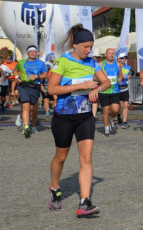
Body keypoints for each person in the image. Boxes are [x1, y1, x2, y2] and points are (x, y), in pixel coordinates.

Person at [47, 25, 111, 218]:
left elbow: (107, 82)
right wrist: (82, 85)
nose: (88, 50)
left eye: (91, 47)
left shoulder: (92, 63)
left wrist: (96, 89)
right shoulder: (61, 62)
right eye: (85, 47)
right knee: (61, 157)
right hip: (63, 117)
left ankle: (84, 202)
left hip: (85, 117)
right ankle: (55, 188)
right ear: (75, 45)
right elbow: (52, 89)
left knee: (86, 158)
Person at [15, 46, 49, 138]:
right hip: (23, 86)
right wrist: (17, 78)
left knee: (33, 109)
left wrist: (37, 76)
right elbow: (16, 70)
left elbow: (46, 75)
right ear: (28, 53)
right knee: (25, 106)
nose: (33, 53)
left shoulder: (41, 63)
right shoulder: (21, 62)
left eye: (35, 51)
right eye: (31, 52)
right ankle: (26, 127)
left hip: (35, 87)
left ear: (37, 53)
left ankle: (33, 125)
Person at [97, 48, 122, 136]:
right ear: (105, 54)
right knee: (106, 110)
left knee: (115, 110)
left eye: (113, 53)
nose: (111, 55)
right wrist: (103, 81)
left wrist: (119, 79)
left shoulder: (118, 64)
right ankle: (106, 128)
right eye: (109, 53)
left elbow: (120, 75)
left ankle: (112, 118)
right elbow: (95, 76)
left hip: (114, 90)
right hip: (104, 91)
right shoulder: (100, 64)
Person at [116, 52, 132, 129]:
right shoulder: (115, 67)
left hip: (125, 88)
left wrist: (129, 75)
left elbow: (130, 73)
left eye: (125, 58)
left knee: (125, 105)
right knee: (120, 106)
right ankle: (118, 116)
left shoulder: (128, 67)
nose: (124, 59)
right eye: (122, 58)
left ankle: (124, 122)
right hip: (117, 89)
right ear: (118, 59)